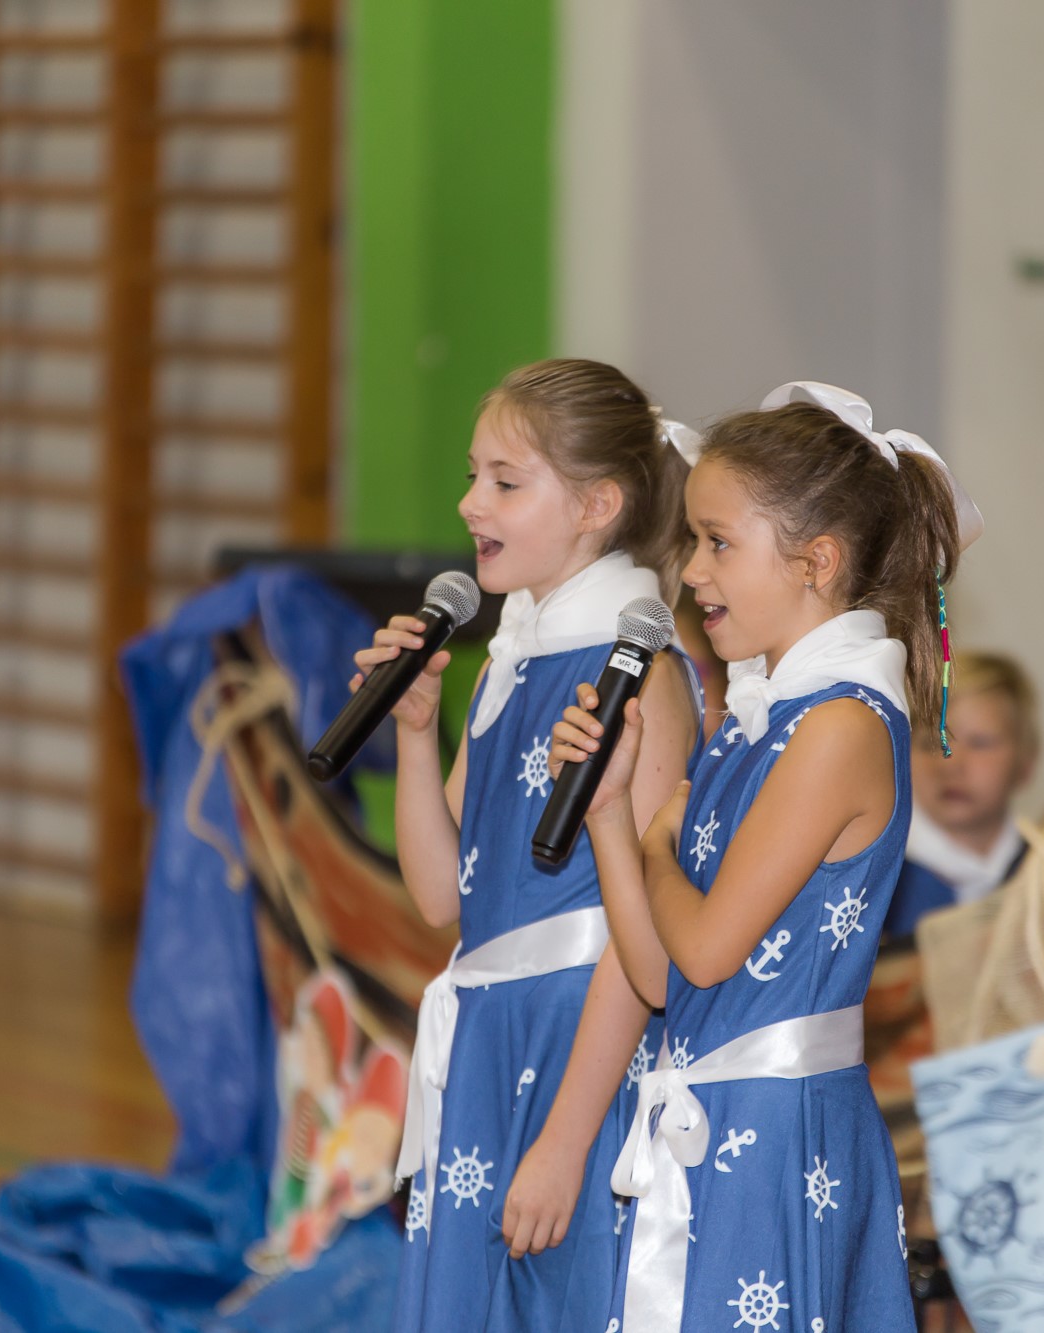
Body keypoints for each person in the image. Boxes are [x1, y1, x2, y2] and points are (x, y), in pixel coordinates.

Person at [553, 380, 982, 1331]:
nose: (690, 570)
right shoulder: (759, 715)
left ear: (815, 561)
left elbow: (707, 949)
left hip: (778, 1138)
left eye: (717, 541)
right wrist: (612, 813)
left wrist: (658, 846)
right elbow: (664, 978)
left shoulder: (838, 727)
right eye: (692, 540)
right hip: (718, 1125)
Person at [362, 359, 702, 1331]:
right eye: (473, 475)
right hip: (488, 1034)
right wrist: (415, 730)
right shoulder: (512, 654)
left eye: (505, 482)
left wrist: (564, 1140)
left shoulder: (639, 677)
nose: (471, 503)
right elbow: (442, 895)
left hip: (579, 1050)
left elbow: (639, 940)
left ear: (598, 505)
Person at [883, 649, 1039, 939]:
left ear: (1026, 762)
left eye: (980, 743)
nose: (950, 764)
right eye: (931, 742)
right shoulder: (879, 880)